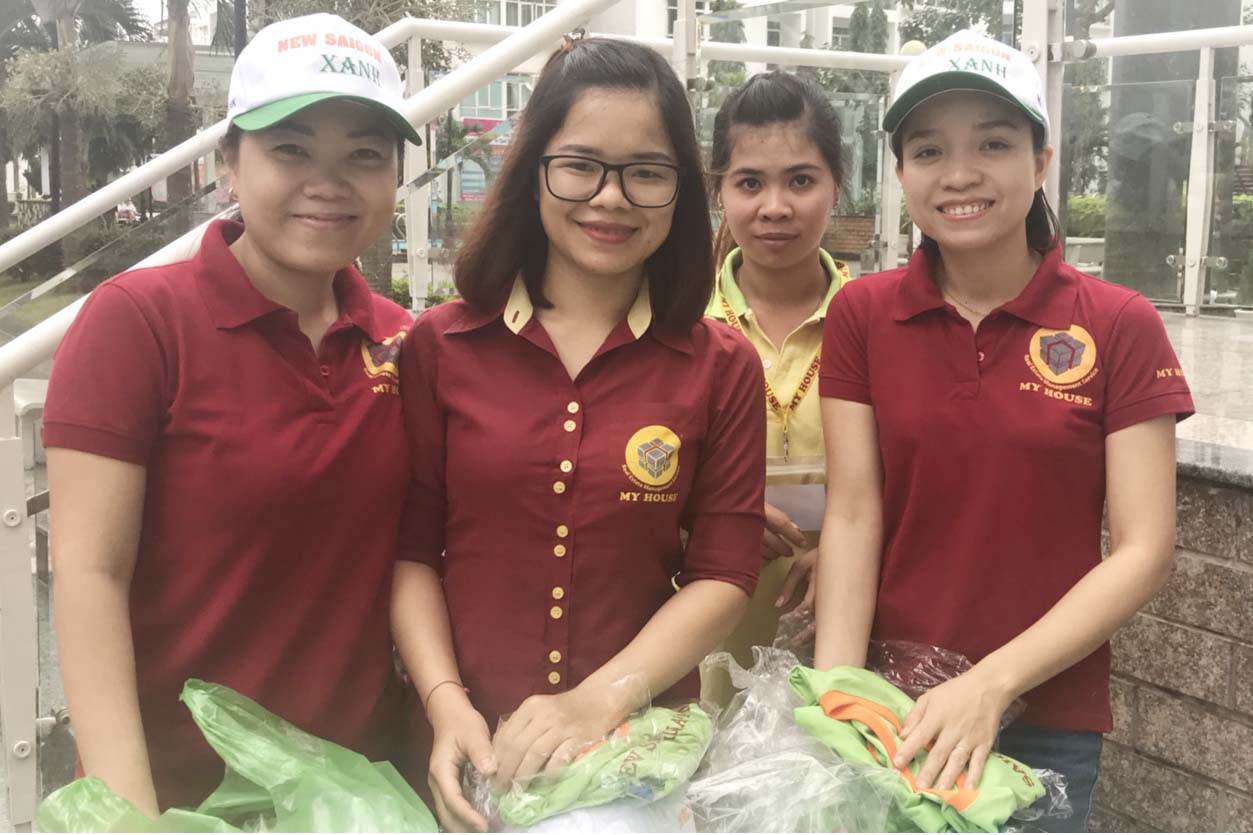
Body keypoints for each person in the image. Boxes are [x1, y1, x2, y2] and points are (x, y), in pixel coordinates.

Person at [812, 30, 1194, 832]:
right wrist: (836, 698)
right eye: (928, 150)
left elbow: (1143, 549)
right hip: (889, 709)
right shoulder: (861, 313)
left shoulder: (1117, 323)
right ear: (900, 172)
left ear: (1040, 160)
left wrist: (989, 683)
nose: (958, 174)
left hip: (1044, 719)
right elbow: (851, 511)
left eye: (992, 143)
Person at [43, 13, 422, 813]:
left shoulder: (404, 344)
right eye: (291, 150)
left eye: (364, 155)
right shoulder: (139, 322)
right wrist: (130, 814)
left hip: (358, 794)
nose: (329, 182)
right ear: (229, 165)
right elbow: (88, 575)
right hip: (177, 794)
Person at [392, 36, 766, 832]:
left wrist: (599, 700)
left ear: (680, 188)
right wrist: (445, 703)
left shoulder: (719, 365)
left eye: (645, 172)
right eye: (580, 165)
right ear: (533, 171)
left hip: (631, 759)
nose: (610, 198)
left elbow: (723, 572)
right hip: (461, 747)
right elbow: (411, 551)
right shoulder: (442, 346)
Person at [703, 71, 850, 685]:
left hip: (845, 635)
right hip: (698, 642)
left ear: (836, 185)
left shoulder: (877, 325)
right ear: (719, 190)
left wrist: (845, 548)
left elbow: (924, 480)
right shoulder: (679, 327)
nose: (775, 207)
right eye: (749, 183)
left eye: (801, 180)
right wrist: (707, 513)